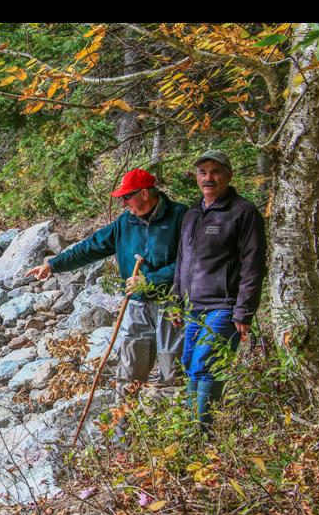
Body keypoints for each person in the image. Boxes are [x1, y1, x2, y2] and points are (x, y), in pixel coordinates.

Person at [26, 168, 187, 388]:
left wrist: (151, 280)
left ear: (145, 194)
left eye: (127, 197)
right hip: (137, 303)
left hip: (170, 304)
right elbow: (91, 247)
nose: (124, 203)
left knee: (172, 371)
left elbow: (189, 263)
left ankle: (169, 417)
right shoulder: (125, 223)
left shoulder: (181, 216)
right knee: (130, 369)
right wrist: (53, 265)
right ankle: (125, 418)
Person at [172, 150, 267, 430]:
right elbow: (182, 262)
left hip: (224, 306)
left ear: (229, 175)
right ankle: (192, 430)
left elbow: (253, 265)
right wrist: (176, 301)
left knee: (206, 364)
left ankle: (205, 433)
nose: (208, 178)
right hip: (193, 306)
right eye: (202, 172)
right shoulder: (192, 213)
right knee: (189, 363)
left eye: (215, 172)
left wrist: (243, 311)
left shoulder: (242, 212)